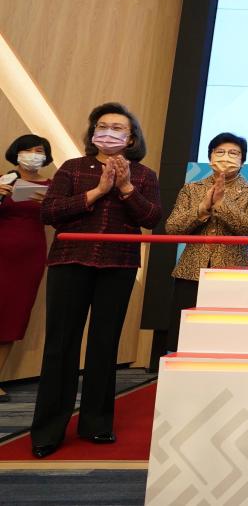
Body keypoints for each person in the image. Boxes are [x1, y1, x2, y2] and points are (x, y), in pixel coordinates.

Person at [31, 103, 161, 458]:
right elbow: (49, 212)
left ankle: (96, 424)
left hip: (118, 265)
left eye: (118, 128)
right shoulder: (72, 168)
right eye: (102, 126)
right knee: (60, 345)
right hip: (70, 261)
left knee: (105, 345)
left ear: (131, 137)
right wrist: (98, 191)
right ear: (92, 133)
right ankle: (48, 430)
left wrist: (126, 187)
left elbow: (152, 218)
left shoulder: (144, 174)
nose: (108, 133)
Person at [163, 133, 248, 350]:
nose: (226, 157)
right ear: (210, 157)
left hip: (233, 273)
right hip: (191, 271)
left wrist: (221, 204)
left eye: (233, 153)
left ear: (242, 161)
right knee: (186, 337)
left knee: (227, 337)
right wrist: (202, 208)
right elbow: (172, 227)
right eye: (220, 152)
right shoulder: (191, 189)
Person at [0, 134, 54, 403]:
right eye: (27, 149)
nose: (33, 154)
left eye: (39, 150)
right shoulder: (3, 180)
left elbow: (61, 220)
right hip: (2, 250)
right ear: (16, 153)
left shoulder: (52, 186)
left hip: (29, 257)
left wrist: (51, 207)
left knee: (12, 316)